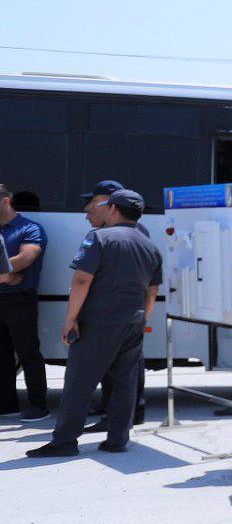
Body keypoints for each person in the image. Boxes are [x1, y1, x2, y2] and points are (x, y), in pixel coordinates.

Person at [29, 189, 165, 457]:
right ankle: (117, 439)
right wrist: (142, 318)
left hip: (99, 321)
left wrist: (70, 320)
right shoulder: (150, 246)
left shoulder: (99, 238)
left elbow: (82, 280)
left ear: (112, 209)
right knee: (125, 382)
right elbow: (152, 291)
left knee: (79, 381)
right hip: (134, 320)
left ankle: (65, 442)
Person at [75, 179, 146, 427]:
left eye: (96, 200)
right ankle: (110, 408)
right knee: (113, 366)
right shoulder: (107, 230)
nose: (92, 206)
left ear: (110, 202)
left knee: (125, 368)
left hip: (119, 310)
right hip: (121, 310)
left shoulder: (131, 231)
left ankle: (129, 413)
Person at [0, 182, 50, 419]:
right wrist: (4, 276)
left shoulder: (29, 228)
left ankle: (39, 406)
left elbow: (26, 257)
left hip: (19, 299)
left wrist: (5, 273)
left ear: (5, 201)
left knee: (28, 353)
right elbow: (12, 266)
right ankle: (7, 405)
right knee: (1, 355)